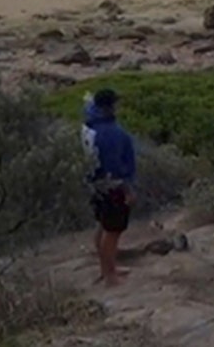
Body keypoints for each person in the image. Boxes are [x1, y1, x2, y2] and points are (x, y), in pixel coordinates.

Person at [83, 88, 136, 286]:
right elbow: (114, 167)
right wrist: (128, 189)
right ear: (111, 106)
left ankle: (108, 268)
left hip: (95, 184)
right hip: (111, 186)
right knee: (112, 231)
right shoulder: (112, 133)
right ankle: (109, 275)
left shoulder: (92, 124)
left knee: (103, 226)